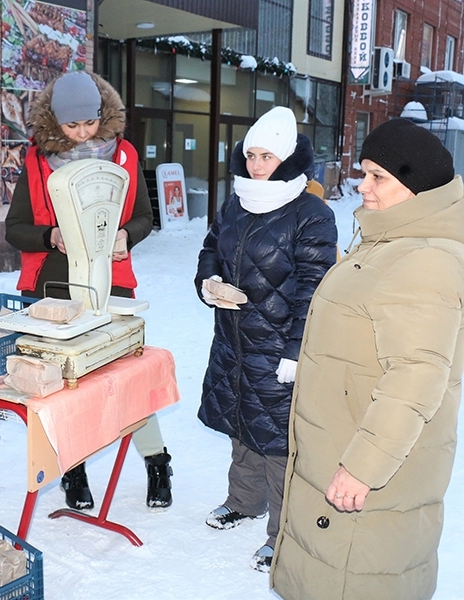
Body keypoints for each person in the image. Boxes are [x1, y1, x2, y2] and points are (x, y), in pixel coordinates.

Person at [271, 119, 464, 599]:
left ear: (415, 186)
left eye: (377, 177)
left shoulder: (425, 259)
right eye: (363, 172)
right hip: (343, 443)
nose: (361, 186)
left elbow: (415, 380)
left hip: (368, 468)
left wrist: (364, 466)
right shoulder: (392, 240)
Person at [5, 70, 174, 510]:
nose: (82, 133)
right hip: (54, 286)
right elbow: (15, 229)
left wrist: (126, 236)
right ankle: (73, 470)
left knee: (128, 380)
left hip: (111, 282)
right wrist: (51, 236)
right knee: (64, 387)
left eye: (90, 123)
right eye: (71, 125)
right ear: (53, 122)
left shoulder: (125, 156)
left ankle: (157, 462)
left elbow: (143, 216)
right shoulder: (36, 162)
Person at [194, 106, 337, 572]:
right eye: (251, 154)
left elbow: (316, 288)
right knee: (242, 425)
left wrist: (296, 353)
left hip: (279, 348)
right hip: (234, 341)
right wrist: (208, 283)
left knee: (279, 443)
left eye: (267, 156)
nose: (256, 165)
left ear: (290, 157)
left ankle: (285, 533)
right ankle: (243, 501)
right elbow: (212, 246)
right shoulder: (237, 199)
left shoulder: (311, 213)